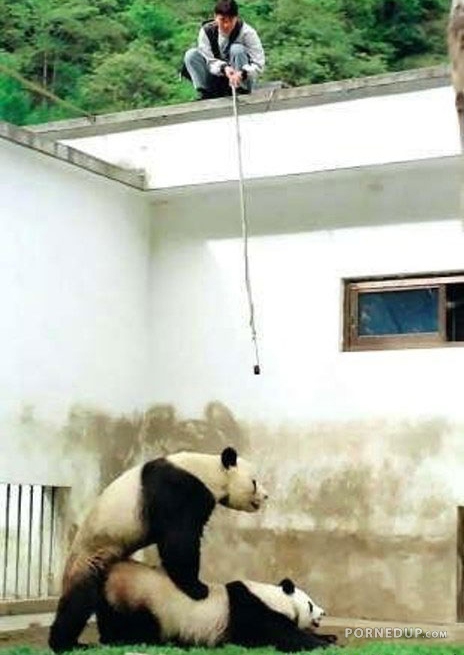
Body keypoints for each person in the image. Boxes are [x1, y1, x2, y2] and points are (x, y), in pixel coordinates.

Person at [182, 0, 265, 100]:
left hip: (240, 76)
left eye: (231, 20)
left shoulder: (247, 33)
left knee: (237, 49)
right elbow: (208, 60)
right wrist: (224, 68)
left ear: (236, 18)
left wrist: (242, 73)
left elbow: (259, 64)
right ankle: (204, 92)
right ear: (215, 17)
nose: (226, 25)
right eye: (222, 20)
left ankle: (241, 89)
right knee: (191, 54)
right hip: (215, 77)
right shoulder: (206, 31)